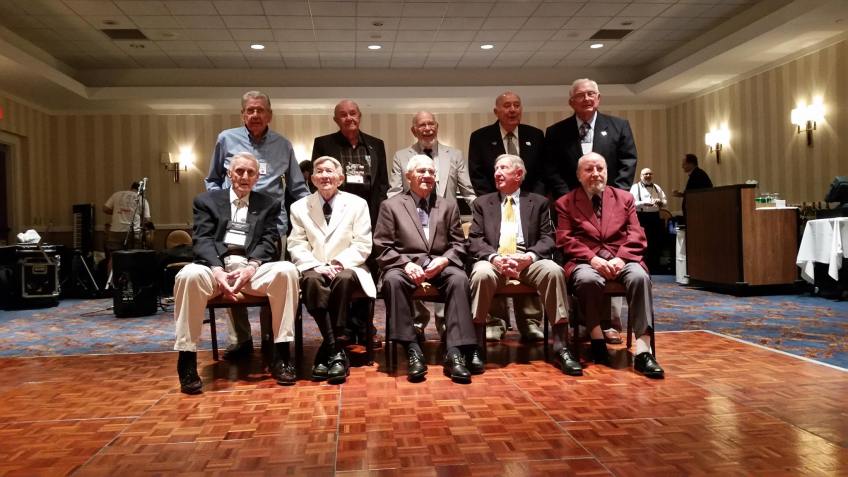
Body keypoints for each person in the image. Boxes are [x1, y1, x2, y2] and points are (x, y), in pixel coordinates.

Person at [174, 152, 300, 394]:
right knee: (188, 275)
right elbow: (202, 240)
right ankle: (186, 358)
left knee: (287, 270)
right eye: (239, 171)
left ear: (257, 177)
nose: (244, 176)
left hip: (252, 268)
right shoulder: (206, 201)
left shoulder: (268, 204)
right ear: (230, 174)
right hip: (214, 268)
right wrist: (217, 270)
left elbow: (268, 241)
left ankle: (282, 354)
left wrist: (251, 267)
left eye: (250, 172)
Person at [205, 91, 310, 361]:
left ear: (269, 115)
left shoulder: (283, 145)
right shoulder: (226, 139)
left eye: (260, 110)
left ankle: (271, 338)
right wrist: (220, 208)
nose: (255, 115)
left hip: (272, 226)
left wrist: (315, 213)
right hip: (234, 224)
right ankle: (241, 339)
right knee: (233, 278)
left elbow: (298, 188)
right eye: (250, 110)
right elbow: (213, 180)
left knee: (274, 282)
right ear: (242, 114)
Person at [468, 154, 581, 376]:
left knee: (553, 271)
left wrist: (529, 257)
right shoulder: (482, 203)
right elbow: (475, 239)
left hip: (527, 259)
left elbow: (548, 238)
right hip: (495, 259)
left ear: (518, 174)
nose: (497, 173)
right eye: (496, 168)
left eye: (503, 168)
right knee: (480, 274)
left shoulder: (538, 202)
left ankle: (561, 346)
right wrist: (495, 258)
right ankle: (476, 347)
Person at [545, 78, 638, 344]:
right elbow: (551, 169)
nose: (586, 99)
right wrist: (570, 200)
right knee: (580, 265)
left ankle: (609, 324)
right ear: (571, 101)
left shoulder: (619, 126)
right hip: (572, 209)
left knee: (611, 257)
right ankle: (583, 321)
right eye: (581, 95)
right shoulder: (556, 132)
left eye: (591, 94)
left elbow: (628, 162)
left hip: (611, 208)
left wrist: (614, 198)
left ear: (599, 98)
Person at [374, 154, 482, 383]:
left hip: (439, 264)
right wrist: (406, 264)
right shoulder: (391, 206)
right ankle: (412, 349)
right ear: (408, 176)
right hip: (404, 264)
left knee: (459, 279)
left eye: (431, 172)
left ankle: (454, 352)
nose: (427, 176)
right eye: (421, 171)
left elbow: (459, 244)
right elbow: (382, 246)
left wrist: (445, 260)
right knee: (392, 281)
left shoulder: (448, 205)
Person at [555, 153, 664, 379]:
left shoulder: (625, 198)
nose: (595, 173)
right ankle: (596, 338)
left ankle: (644, 350)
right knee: (587, 280)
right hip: (585, 260)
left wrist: (621, 258)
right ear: (578, 175)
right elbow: (565, 239)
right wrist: (593, 259)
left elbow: (636, 234)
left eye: (600, 169)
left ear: (606, 172)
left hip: (622, 258)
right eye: (589, 169)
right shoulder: (566, 202)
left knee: (640, 278)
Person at [388, 111, 476, 339]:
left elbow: (467, 190)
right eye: (422, 125)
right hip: (411, 222)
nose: (427, 128)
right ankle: (417, 324)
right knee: (414, 263)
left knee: (446, 270)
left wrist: (483, 215)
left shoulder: (454, 155)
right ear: (414, 130)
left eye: (431, 124)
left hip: (444, 223)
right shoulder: (401, 156)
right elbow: (395, 190)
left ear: (437, 126)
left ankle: (446, 324)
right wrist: (393, 213)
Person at [288, 156, 376, 384]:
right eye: (319, 171)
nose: (324, 175)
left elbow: (363, 243)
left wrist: (338, 263)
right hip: (314, 266)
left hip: (349, 266)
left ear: (340, 178)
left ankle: (328, 350)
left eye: (329, 171)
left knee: (343, 279)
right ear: (312, 179)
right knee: (311, 281)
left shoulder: (358, 204)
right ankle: (336, 349)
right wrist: (316, 266)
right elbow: (296, 244)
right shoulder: (299, 207)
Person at [468, 91, 546, 342]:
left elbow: (542, 174)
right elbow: (477, 174)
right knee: (493, 259)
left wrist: (531, 203)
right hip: (495, 208)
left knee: (528, 255)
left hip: (528, 208)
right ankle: (496, 321)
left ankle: (530, 322)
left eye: (516, 105)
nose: (512, 110)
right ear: (496, 111)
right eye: (507, 106)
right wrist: (494, 204)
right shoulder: (480, 137)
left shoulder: (536, 135)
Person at [311, 99, 388, 349]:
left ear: (360, 116)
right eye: (343, 115)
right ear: (336, 120)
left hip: (369, 219)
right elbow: (320, 180)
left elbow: (382, 185)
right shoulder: (324, 144)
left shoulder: (375, 145)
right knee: (341, 273)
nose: (348, 118)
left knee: (367, 271)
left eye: (352, 113)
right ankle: (342, 328)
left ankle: (364, 326)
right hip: (336, 217)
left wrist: (381, 220)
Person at [630, 168, 668, 273]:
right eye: (645, 174)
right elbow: (632, 203)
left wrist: (660, 202)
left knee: (655, 241)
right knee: (642, 242)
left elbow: (665, 202)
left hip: (655, 217)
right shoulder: (635, 187)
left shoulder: (657, 187)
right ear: (641, 176)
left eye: (650, 174)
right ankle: (642, 266)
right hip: (642, 217)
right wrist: (643, 203)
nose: (648, 176)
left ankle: (654, 266)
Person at [103, 181, 151, 251]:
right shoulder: (142, 199)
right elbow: (147, 220)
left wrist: (119, 212)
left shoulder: (117, 195)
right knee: (133, 255)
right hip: (133, 233)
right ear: (141, 191)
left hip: (116, 231)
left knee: (115, 255)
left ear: (131, 188)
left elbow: (105, 209)